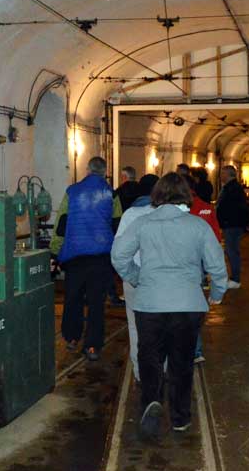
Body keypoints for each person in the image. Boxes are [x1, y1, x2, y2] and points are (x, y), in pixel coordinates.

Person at [111, 173, 228, 438]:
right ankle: (179, 418)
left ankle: (151, 402)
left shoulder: (142, 223)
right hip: (187, 305)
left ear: (157, 195)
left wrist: (135, 277)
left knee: (150, 358)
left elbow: (118, 255)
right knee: (181, 362)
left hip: (150, 304)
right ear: (186, 195)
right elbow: (216, 265)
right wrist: (217, 293)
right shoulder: (198, 226)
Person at [53, 156, 121, 361]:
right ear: (105, 172)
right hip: (101, 257)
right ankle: (92, 346)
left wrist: (54, 252)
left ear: (88, 170)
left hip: (75, 256)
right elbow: (118, 226)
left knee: (73, 298)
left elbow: (61, 224)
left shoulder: (72, 192)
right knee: (96, 303)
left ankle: (72, 337)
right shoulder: (112, 194)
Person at [114, 174, 159, 382]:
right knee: (161, 326)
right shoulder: (166, 214)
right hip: (161, 280)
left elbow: (118, 251)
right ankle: (160, 369)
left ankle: (140, 372)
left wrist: (130, 276)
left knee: (135, 326)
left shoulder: (130, 214)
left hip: (135, 279)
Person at [188, 180, 222, 365]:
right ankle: (195, 351)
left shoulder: (161, 215)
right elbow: (215, 238)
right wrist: (217, 288)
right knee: (194, 304)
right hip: (197, 264)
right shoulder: (206, 209)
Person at [216, 165, 249, 289]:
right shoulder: (232, 187)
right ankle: (234, 277)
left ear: (228, 174)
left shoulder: (232, 189)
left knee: (232, 251)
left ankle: (235, 279)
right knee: (232, 251)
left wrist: (224, 219)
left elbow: (231, 208)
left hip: (232, 225)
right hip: (231, 224)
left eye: (222, 173)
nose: (220, 176)